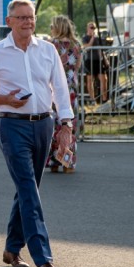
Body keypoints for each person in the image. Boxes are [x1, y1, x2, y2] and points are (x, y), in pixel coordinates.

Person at [0, 0, 74, 267]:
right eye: (22, 18)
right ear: (9, 21)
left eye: (31, 17)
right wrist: (1, 99)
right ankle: (44, 260)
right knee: (30, 190)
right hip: (12, 126)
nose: (28, 22)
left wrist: (65, 124)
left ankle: (11, 249)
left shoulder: (47, 49)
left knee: (27, 189)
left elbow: (59, 86)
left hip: (43, 125)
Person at [46, 15, 82, 174]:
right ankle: (68, 162)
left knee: (54, 126)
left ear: (57, 27)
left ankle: (54, 162)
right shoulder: (77, 45)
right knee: (70, 127)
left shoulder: (51, 45)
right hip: (71, 90)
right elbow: (77, 67)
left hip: (55, 89)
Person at [82, 22, 108, 104]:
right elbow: (88, 47)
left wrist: (105, 60)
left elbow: (101, 50)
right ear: (87, 28)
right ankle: (92, 99)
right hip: (89, 61)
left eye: (94, 28)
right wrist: (92, 37)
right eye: (91, 27)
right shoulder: (85, 37)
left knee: (104, 79)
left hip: (98, 61)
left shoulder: (98, 38)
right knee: (90, 80)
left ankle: (105, 99)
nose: (92, 29)